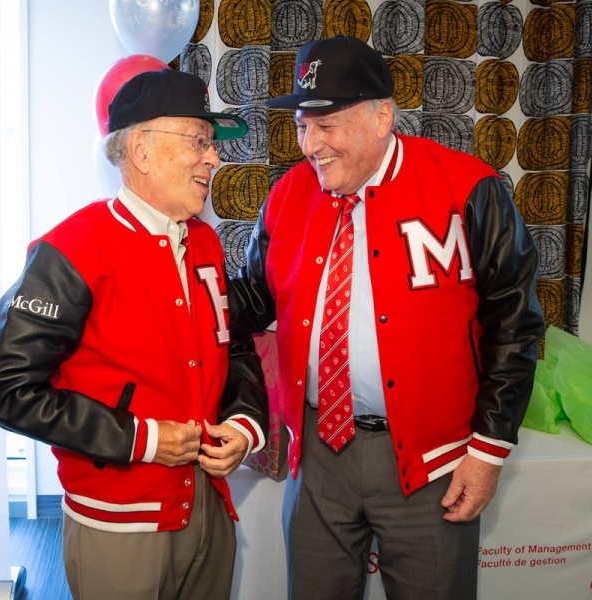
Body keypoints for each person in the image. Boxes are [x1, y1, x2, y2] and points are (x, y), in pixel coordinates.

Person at [230, 36, 546, 600]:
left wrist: (489, 450)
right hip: (319, 457)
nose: (311, 145)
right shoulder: (285, 197)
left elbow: (515, 324)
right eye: (303, 126)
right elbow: (251, 305)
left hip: (434, 462)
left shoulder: (469, 188)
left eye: (326, 126)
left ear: (382, 118)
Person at [0, 69, 268, 600]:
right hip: (118, 524)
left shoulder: (204, 243)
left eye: (212, 144)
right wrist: (143, 439)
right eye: (199, 141)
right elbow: (7, 389)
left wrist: (246, 425)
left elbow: (237, 344)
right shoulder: (71, 250)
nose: (214, 158)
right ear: (141, 149)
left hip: (209, 508)